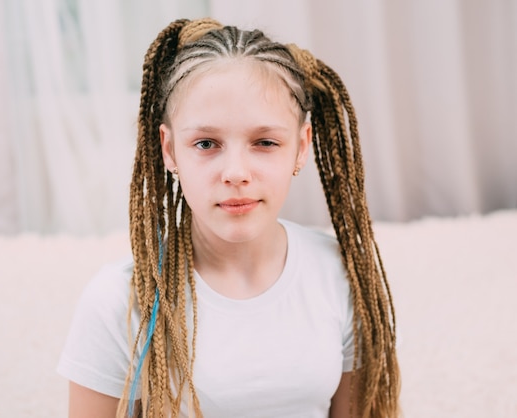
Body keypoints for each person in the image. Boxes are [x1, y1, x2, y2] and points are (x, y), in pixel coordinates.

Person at [57, 18, 400, 418]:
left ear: (302, 146)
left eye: (265, 142)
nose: (235, 172)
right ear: (169, 150)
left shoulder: (344, 275)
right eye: (206, 143)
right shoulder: (119, 302)